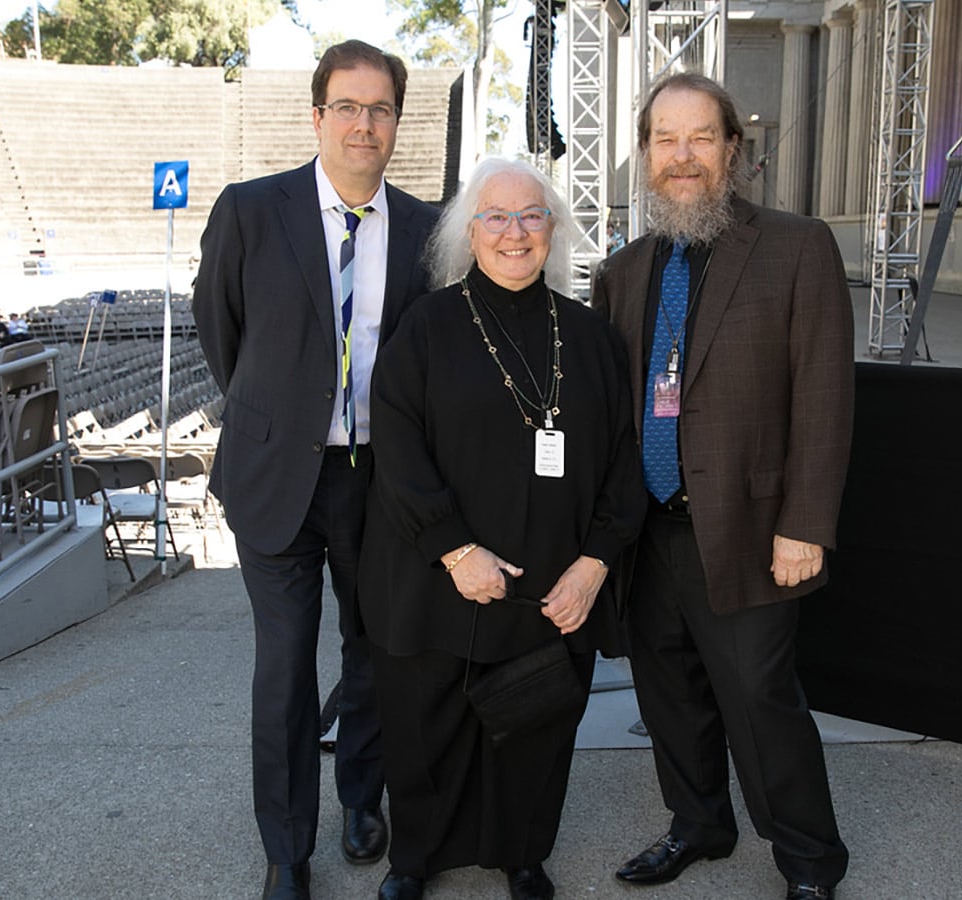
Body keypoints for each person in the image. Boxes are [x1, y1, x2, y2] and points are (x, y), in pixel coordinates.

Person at [590, 73, 855, 900]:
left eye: (701, 137)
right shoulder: (623, 271)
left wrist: (805, 523)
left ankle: (810, 861)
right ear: (644, 155)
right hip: (652, 532)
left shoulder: (796, 245)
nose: (683, 157)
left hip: (749, 527)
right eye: (665, 140)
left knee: (760, 702)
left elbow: (823, 392)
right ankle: (698, 824)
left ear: (732, 148)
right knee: (668, 694)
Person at [191, 39, 439, 900]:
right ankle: (286, 848)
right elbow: (221, 329)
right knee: (286, 666)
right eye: (347, 106)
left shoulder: (424, 227)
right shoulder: (251, 211)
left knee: (373, 656)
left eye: (379, 109)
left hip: (380, 482)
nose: (362, 124)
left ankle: (360, 802)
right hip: (276, 481)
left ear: (397, 123)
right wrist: (276, 417)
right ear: (317, 116)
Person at [359, 157, 644, 900]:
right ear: (468, 232)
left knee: (536, 727)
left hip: (552, 588)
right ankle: (414, 859)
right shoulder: (426, 326)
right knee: (427, 726)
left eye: (530, 216)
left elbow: (623, 462)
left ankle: (522, 853)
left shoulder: (589, 337)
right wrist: (454, 549)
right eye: (495, 217)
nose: (513, 233)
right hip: (440, 576)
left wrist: (594, 565)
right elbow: (397, 447)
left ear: (553, 229)